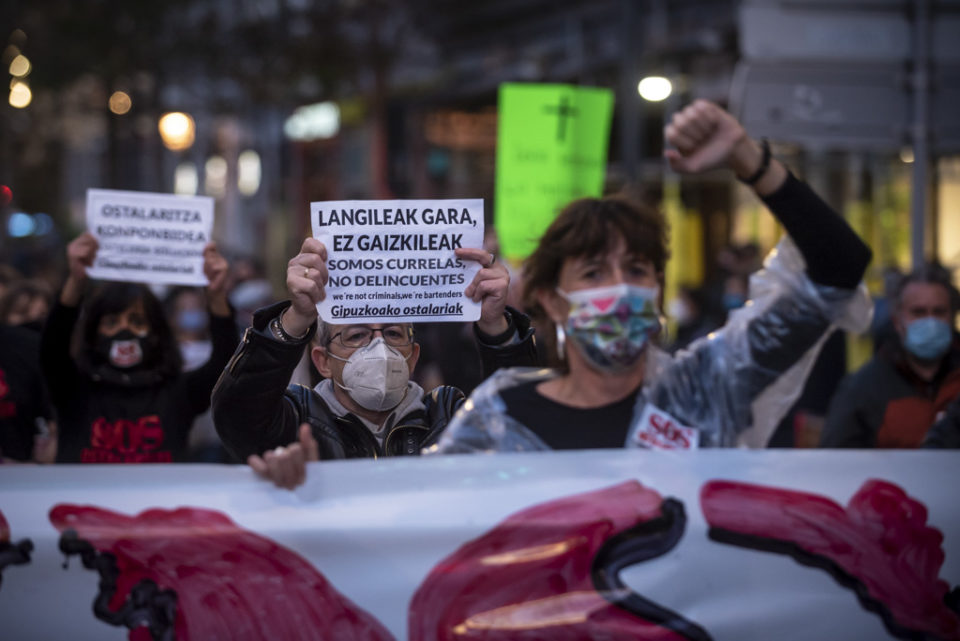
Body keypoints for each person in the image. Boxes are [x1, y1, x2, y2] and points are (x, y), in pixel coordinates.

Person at [432, 99, 872, 453]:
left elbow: (840, 270)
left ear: (657, 287)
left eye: (636, 269)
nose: (620, 285)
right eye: (594, 272)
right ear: (551, 298)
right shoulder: (501, 418)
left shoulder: (705, 390)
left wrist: (750, 160)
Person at [211, 242, 537, 488]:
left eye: (393, 333)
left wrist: (497, 328)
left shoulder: (449, 418)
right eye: (356, 335)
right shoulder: (298, 421)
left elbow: (524, 429)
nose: (379, 347)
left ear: (413, 356)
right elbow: (236, 415)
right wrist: (296, 318)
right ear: (323, 361)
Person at [40, 232, 239, 463]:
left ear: (155, 333)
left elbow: (226, 364)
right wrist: (76, 282)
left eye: (136, 322)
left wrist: (216, 296)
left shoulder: (179, 393)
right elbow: (52, 346)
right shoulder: (72, 388)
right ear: (94, 333)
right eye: (112, 323)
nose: (124, 330)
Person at [820, 264, 960, 448]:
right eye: (918, 312)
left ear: (952, 317)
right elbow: (837, 456)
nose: (930, 322)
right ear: (897, 321)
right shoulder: (862, 389)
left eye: (939, 312)